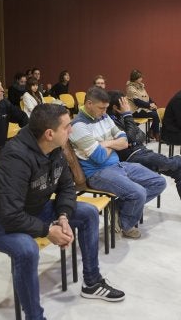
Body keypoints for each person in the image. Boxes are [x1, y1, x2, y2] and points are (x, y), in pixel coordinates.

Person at [0, 103, 125, 320]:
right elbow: (9, 215)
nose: (71, 130)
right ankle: (34, 317)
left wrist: (62, 215)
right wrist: (47, 230)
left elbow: (67, 187)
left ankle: (91, 282)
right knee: (26, 249)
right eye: (67, 127)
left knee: (88, 213)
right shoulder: (15, 158)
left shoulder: (55, 149)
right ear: (49, 133)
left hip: (32, 209)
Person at [69, 87, 166, 239]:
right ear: (89, 104)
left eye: (106, 108)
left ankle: (117, 211)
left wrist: (105, 143)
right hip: (97, 173)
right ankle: (124, 224)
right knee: (138, 193)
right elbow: (99, 157)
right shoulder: (78, 126)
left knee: (159, 182)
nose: (104, 112)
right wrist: (114, 142)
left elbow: (125, 141)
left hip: (118, 165)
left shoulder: (104, 116)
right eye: (101, 108)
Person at [107, 91, 181, 225]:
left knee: (180, 171)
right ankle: (180, 160)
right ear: (116, 107)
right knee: (162, 161)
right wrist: (129, 127)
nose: (128, 106)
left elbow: (140, 135)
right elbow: (131, 138)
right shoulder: (110, 121)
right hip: (129, 159)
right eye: (124, 103)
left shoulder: (123, 117)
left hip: (141, 151)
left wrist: (130, 138)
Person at [125, 69, 160, 141]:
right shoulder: (130, 88)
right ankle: (156, 133)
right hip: (135, 111)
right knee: (155, 115)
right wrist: (150, 105)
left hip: (143, 108)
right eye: (140, 77)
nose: (142, 79)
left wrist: (153, 103)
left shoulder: (141, 86)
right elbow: (137, 102)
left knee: (157, 112)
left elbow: (147, 97)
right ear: (135, 79)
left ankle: (151, 131)